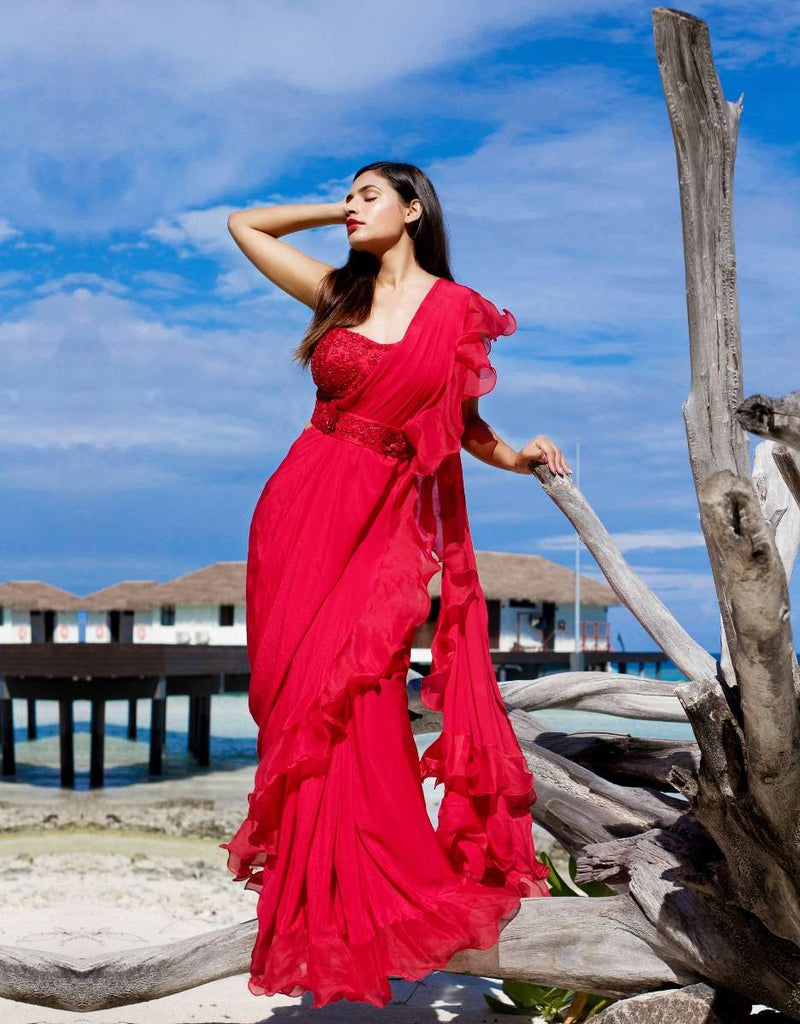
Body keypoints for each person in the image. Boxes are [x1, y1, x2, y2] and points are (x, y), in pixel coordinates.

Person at [219, 161, 573, 1010]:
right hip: (296, 515)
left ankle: (376, 897)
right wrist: (331, 209)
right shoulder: (336, 292)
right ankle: (317, 902)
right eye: (347, 196)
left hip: (382, 531)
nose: (351, 208)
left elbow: (464, 425)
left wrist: (520, 459)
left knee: (365, 693)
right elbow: (244, 225)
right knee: (297, 699)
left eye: (369, 194)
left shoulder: (456, 311)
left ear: (415, 210)